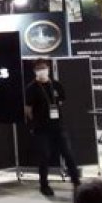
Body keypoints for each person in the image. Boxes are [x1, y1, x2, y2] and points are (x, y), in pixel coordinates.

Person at [25, 58, 80, 196]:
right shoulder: (31, 88)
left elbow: (61, 101)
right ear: (35, 71)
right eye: (39, 69)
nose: (42, 71)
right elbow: (28, 109)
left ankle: (76, 182)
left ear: (48, 69)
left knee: (68, 153)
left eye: (44, 67)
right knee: (44, 156)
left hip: (58, 126)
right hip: (41, 128)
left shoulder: (56, 85)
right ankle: (44, 185)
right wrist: (34, 122)